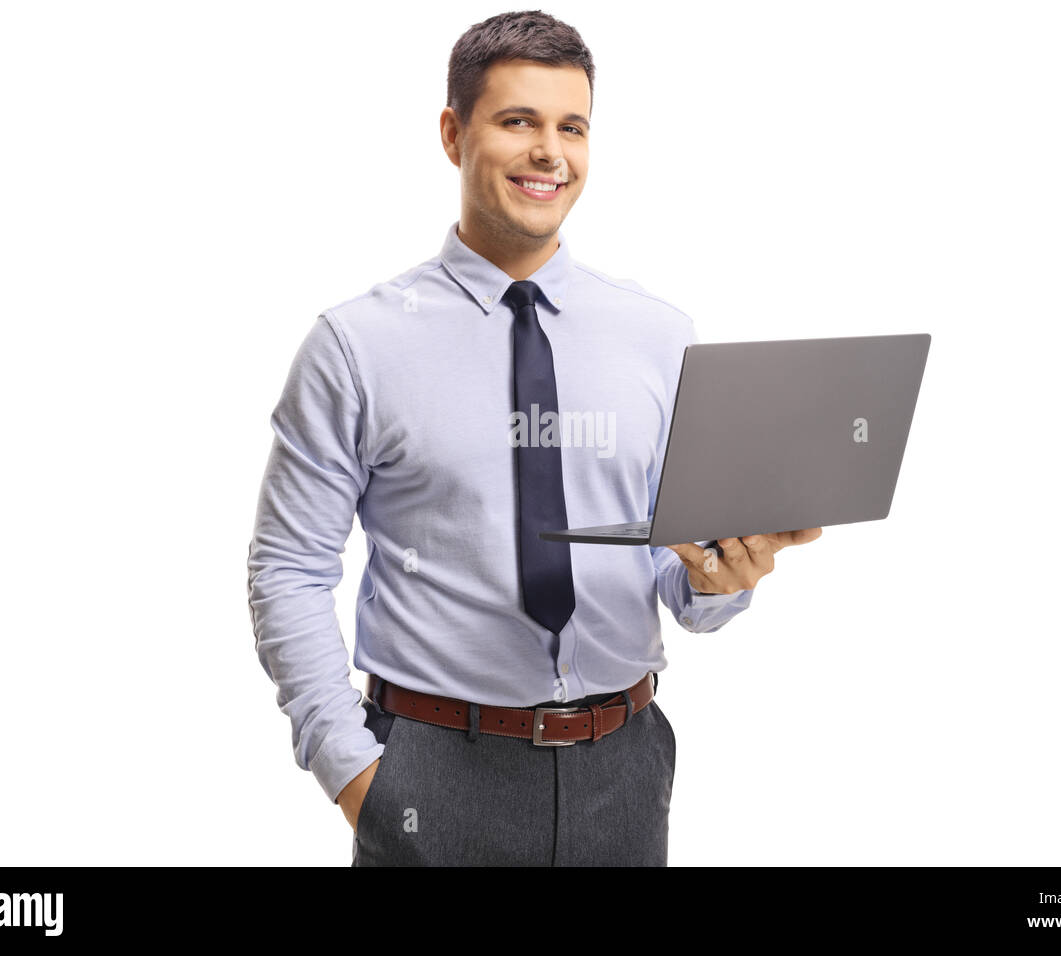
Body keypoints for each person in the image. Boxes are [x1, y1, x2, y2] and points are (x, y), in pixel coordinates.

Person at [245, 9, 822, 867]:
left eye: (572, 126)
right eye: (518, 121)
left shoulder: (660, 336)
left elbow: (673, 568)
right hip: (432, 770)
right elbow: (287, 567)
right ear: (453, 133)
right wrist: (357, 775)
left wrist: (726, 576)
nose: (550, 151)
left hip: (624, 767)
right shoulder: (357, 345)